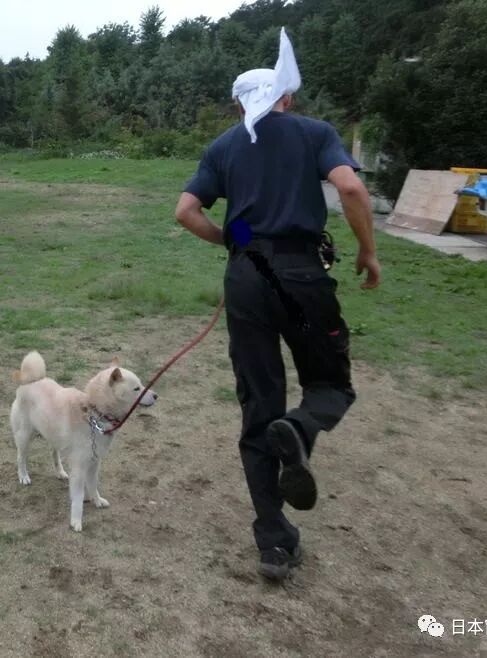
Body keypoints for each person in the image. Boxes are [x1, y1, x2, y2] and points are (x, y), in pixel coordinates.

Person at [174, 28, 381, 582]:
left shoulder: (223, 146)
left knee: (256, 408)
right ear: (285, 97)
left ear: (239, 103)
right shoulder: (315, 133)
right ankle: (301, 426)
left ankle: (274, 543)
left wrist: (232, 242)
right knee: (331, 385)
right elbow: (354, 191)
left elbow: (186, 211)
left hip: (247, 280)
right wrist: (367, 250)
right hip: (301, 275)